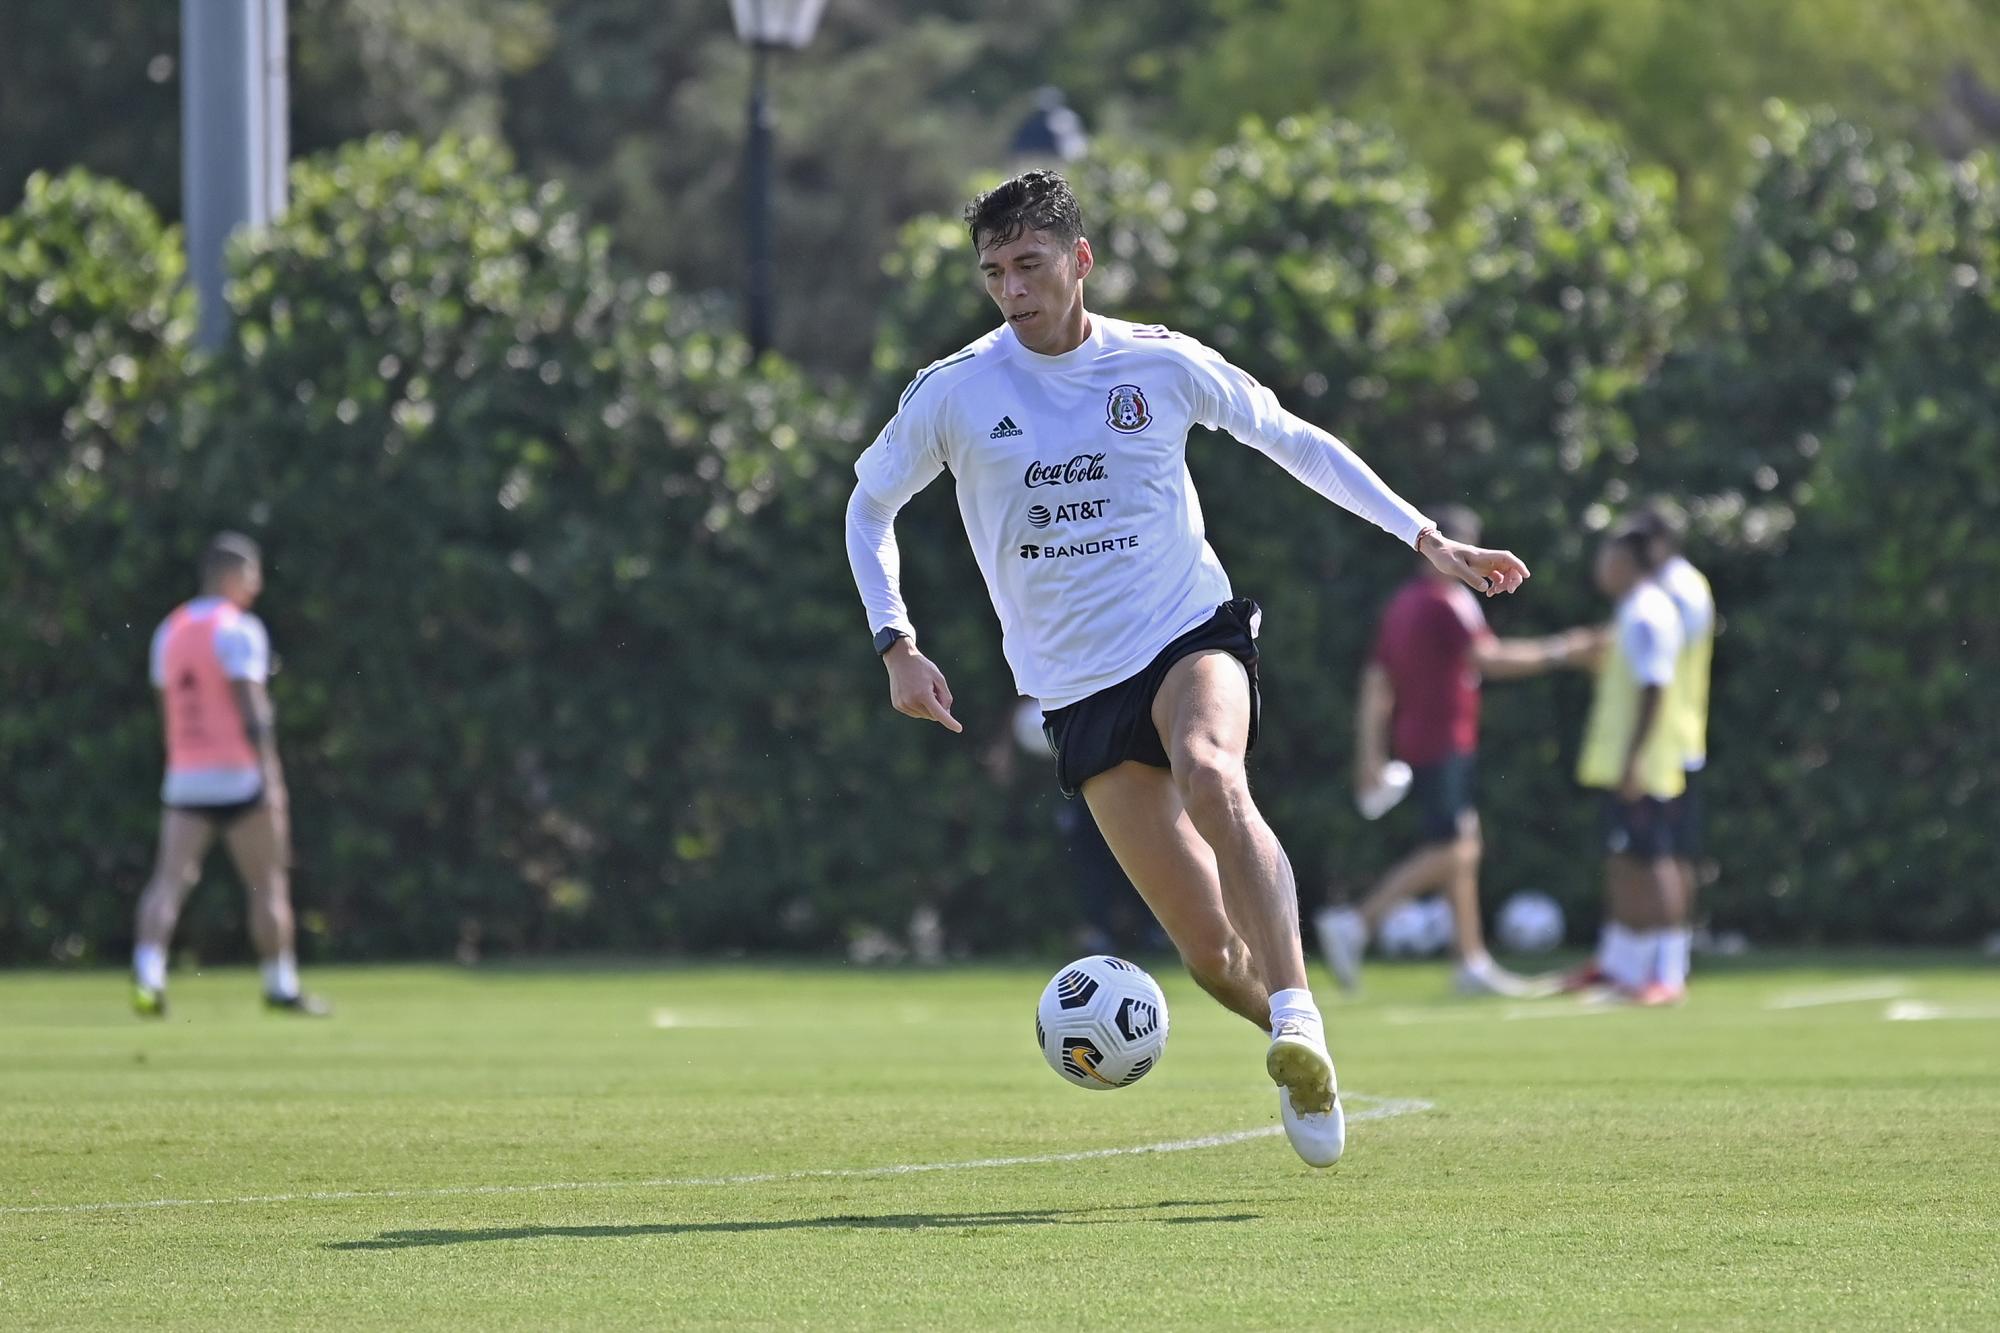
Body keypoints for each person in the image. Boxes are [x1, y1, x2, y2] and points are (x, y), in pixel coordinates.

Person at [843, 170, 1529, 1166]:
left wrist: (1424, 537)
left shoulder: (1159, 365)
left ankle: (1297, 1012)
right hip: (1075, 690)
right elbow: (867, 508)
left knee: (1212, 770)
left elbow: (1292, 440)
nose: (1010, 289)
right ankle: (1298, 1052)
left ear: (1078, 261)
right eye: (992, 272)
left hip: (1185, 630)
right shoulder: (955, 391)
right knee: (1208, 955)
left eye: (1028, 265)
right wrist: (894, 641)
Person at [1317, 505, 1596, 997]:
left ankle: (1470, 961)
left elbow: (1376, 681)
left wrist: (1370, 754)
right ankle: (1359, 921)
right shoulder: (1445, 601)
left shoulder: (1403, 602)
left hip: (1421, 740)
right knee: (1454, 848)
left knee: (1464, 845)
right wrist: (1563, 652)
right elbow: (1487, 658)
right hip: (1441, 740)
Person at [131, 533, 329, 1018]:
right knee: (266, 883)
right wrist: (271, 777)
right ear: (232, 575)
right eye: (253, 575)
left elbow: (166, 711)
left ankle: (148, 975)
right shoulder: (239, 629)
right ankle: (280, 984)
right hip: (240, 776)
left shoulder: (169, 630)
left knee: (169, 881)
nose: (257, 586)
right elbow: (252, 709)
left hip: (185, 777)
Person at [1565, 524, 1687, 1005]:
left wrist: (1636, 759)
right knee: (1625, 859)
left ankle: (1667, 972)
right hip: (1621, 761)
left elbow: (1655, 687)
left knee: (1654, 860)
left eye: (1608, 557)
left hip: (1644, 763)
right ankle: (1628, 968)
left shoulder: (1647, 615)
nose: (1601, 567)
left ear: (1629, 563)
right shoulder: (1631, 611)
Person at [1634, 501, 1716, 957]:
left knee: (1670, 849)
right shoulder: (1672, 585)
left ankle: (1676, 948)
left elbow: (1658, 662)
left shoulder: (1677, 588)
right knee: (1663, 846)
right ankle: (1666, 945)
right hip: (1669, 733)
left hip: (1672, 734)